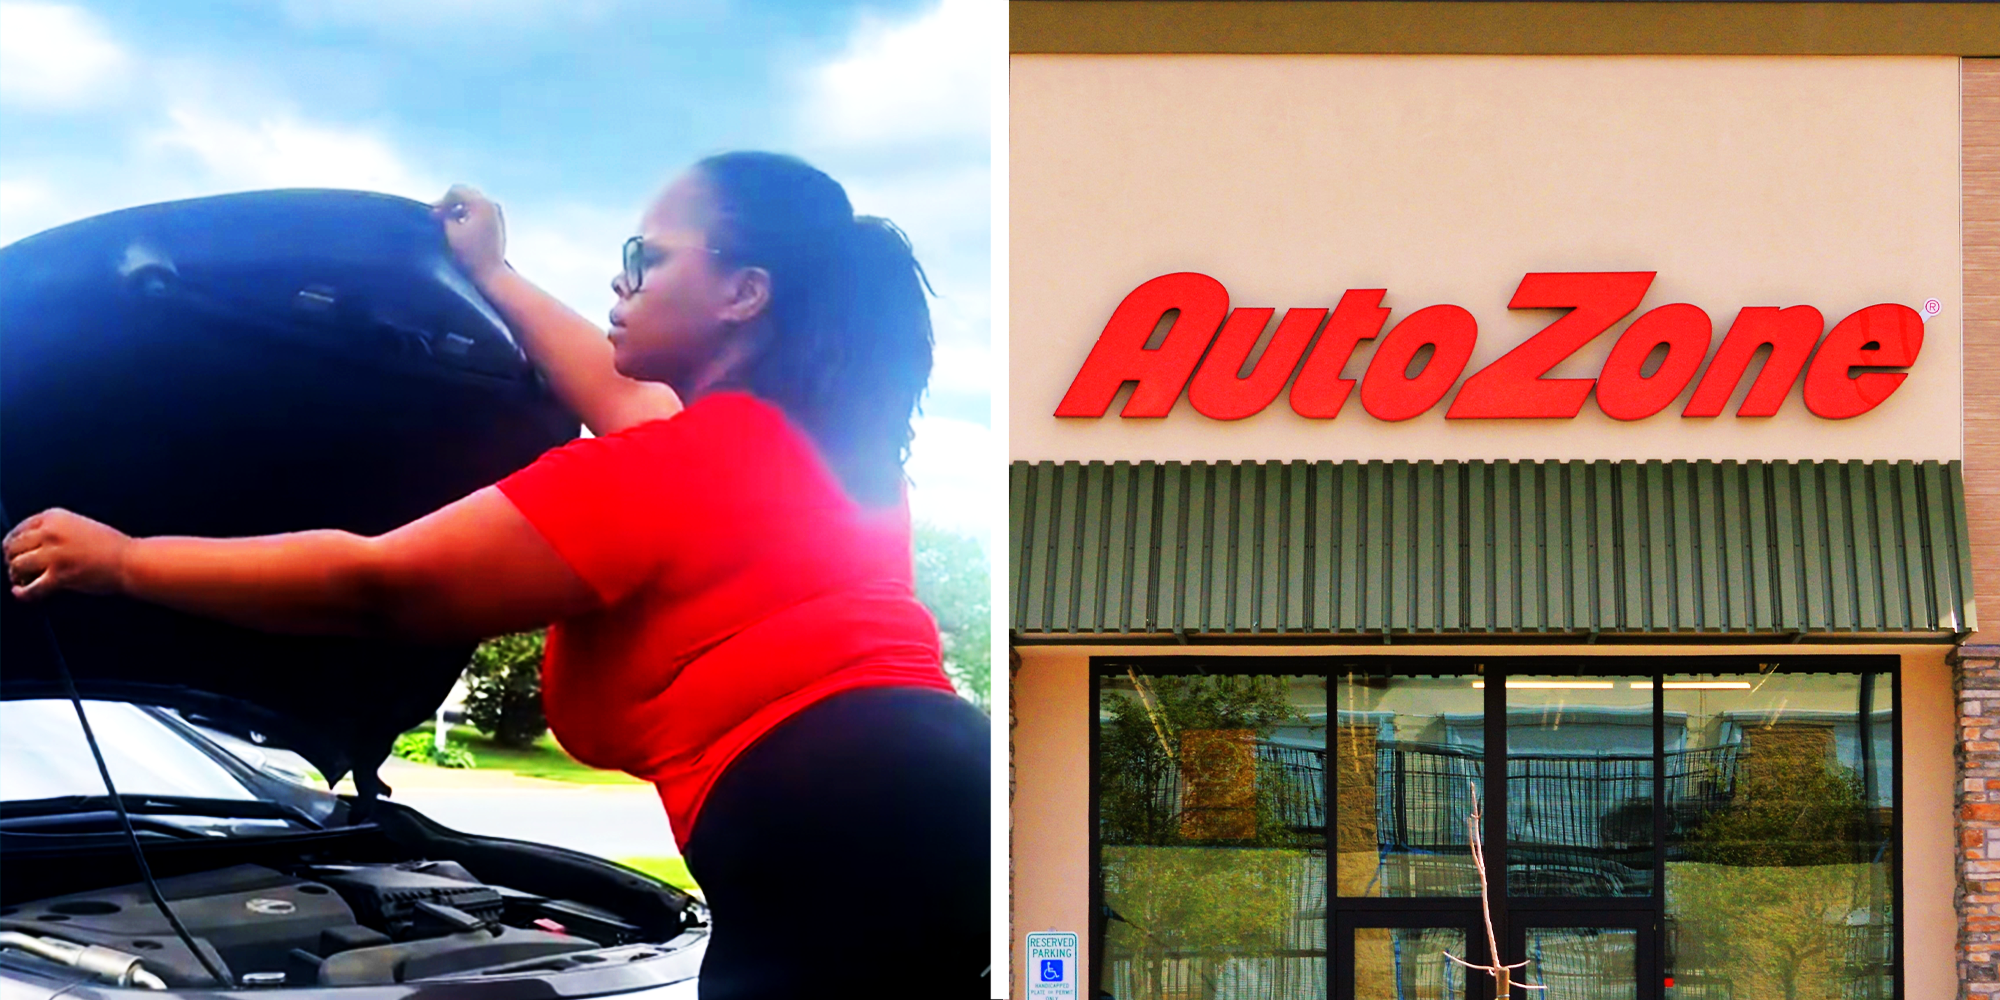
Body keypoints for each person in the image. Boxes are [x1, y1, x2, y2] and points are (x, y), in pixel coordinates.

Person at [3, 151, 990, 998]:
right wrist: (495, 271)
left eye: (646, 257)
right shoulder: (798, 454)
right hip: (933, 802)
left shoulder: (680, 467)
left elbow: (383, 585)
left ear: (744, 293)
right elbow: (608, 388)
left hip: (841, 833)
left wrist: (126, 561)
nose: (621, 281)